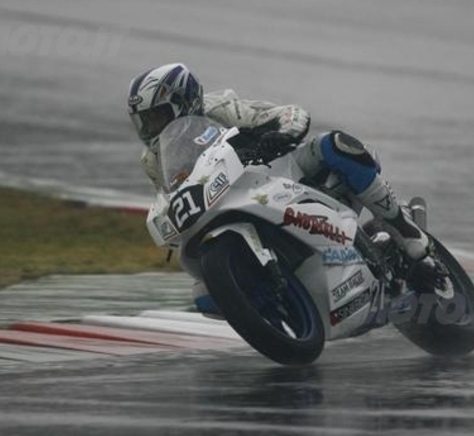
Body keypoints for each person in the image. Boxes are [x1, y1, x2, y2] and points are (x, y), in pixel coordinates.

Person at [127, 63, 447, 302]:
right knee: (203, 295)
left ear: (182, 101)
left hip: (278, 170)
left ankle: (409, 235)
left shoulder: (219, 108)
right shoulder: (151, 159)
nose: (149, 128)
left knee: (335, 144)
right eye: (143, 121)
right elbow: (169, 192)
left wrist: (279, 134)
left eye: (155, 117)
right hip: (222, 202)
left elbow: (289, 114)